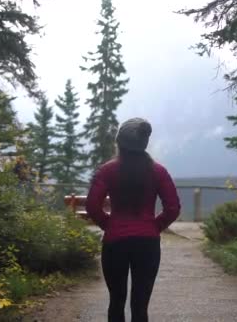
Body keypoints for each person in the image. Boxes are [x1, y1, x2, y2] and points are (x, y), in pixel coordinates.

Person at [86, 118, 181, 322]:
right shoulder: (158, 171)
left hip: (115, 244)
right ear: (144, 144)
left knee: (116, 301)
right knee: (140, 305)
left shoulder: (107, 170)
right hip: (148, 244)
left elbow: (92, 206)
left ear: (119, 142)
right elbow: (173, 208)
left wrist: (109, 225)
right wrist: (155, 226)